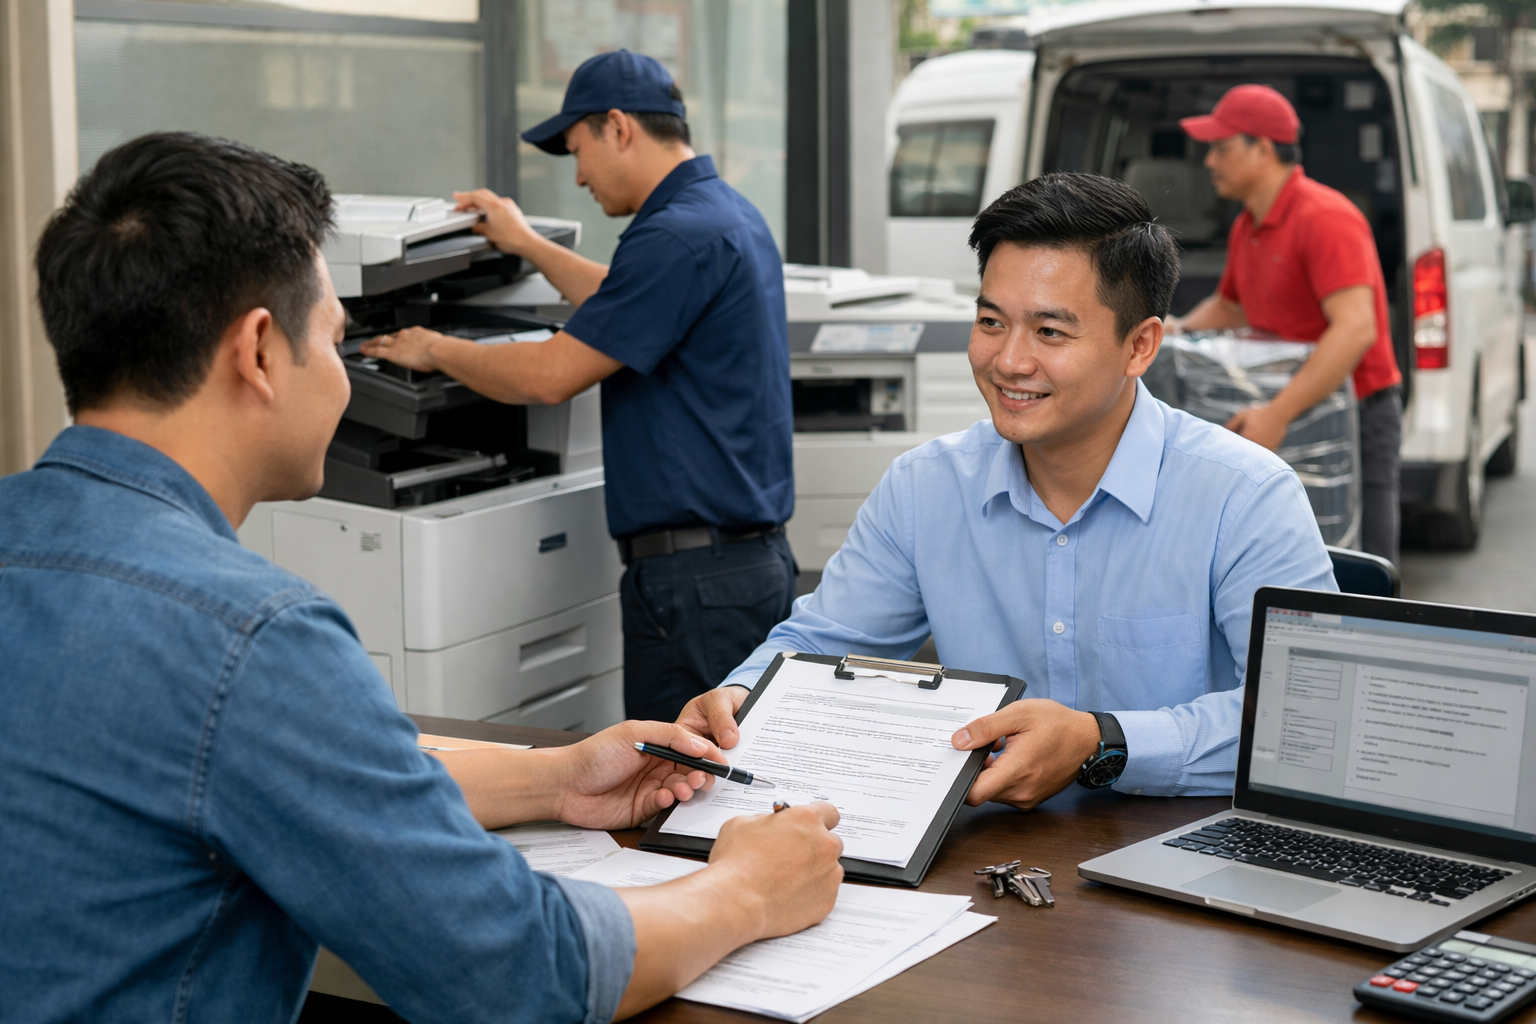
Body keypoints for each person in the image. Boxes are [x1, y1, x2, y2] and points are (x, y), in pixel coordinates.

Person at [0, 132, 844, 1024]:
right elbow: (518, 972)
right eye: (334, 338)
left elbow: (295, 774)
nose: (342, 372)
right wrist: (748, 890)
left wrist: (556, 776)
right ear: (257, 352)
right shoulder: (249, 639)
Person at [677, 173, 1337, 810]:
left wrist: (1102, 742)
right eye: (992, 322)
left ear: (1140, 346)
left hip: (1181, 854)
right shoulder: (925, 487)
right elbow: (823, 643)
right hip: (987, 854)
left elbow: (1308, 719)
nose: (1009, 361)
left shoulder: (1242, 496)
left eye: (1050, 332)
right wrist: (742, 696)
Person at [361, 49, 795, 723]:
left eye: (577, 150)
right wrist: (528, 243)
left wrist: (434, 349)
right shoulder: (721, 215)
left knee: (682, 798)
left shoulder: (675, 235)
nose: (580, 176)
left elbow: (550, 375)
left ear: (618, 127)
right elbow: (623, 303)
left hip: (694, 583)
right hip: (729, 568)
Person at [1172, 83, 1404, 565]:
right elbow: (1233, 306)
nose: (1209, 161)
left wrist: (1276, 415)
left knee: (1357, 561)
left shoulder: (1324, 217)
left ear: (1262, 149)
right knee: (1291, 558)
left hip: (1354, 413)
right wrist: (1176, 330)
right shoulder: (1247, 225)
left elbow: (1355, 329)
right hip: (1295, 408)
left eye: (1221, 147)